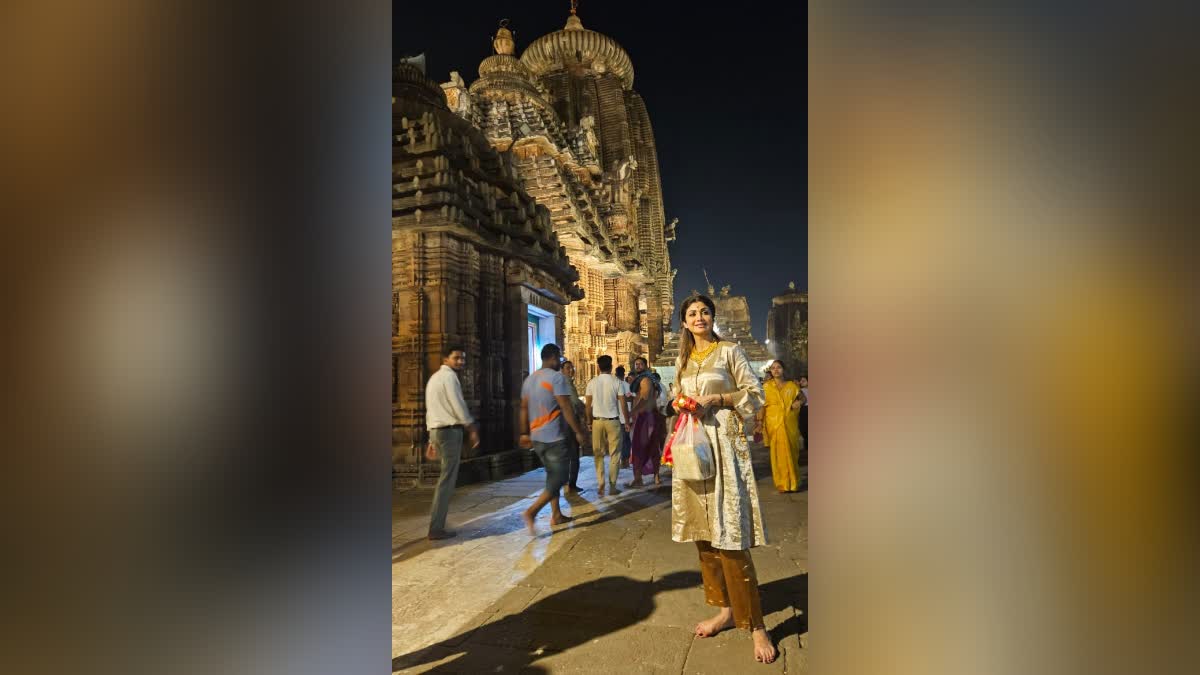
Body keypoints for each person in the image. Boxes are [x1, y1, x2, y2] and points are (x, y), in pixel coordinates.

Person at [671, 293, 776, 664]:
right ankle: (724, 610)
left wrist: (716, 400)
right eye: (692, 313)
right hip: (693, 449)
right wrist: (678, 400)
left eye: (704, 312)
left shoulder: (730, 351)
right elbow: (679, 393)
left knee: (730, 534)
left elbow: (756, 393)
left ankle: (756, 624)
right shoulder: (684, 359)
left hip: (725, 448)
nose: (699, 317)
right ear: (683, 322)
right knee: (703, 535)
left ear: (712, 318)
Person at [518, 343, 589, 535]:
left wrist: (524, 433)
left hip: (537, 438)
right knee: (559, 478)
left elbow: (523, 408)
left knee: (551, 475)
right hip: (554, 437)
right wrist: (578, 431)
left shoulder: (529, 380)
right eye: (559, 358)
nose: (560, 361)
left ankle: (556, 514)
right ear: (552, 358)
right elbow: (565, 407)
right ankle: (532, 511)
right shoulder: (556, 378)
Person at [424, 344, 481, 540]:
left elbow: (431, 409)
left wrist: (430, 437)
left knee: (445, 479)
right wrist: (471, 427)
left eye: (462, 358)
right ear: (445, 359)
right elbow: (458, 404)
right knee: (447, 481)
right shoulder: (449, 377)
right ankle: (436, 527)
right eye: (456, 357)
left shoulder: (434, 378)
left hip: (437, 431)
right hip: (448, 433)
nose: (460, 361)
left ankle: (437, 524)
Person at [755, 360, 805, 493]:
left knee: (792, 452)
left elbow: (803, 398)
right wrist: (759, 423)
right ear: (770, 371)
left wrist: (798, 403)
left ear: (784, 369)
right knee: (777, 454)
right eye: (773, 368)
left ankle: (794, 482)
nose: (776, 370)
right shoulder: (766, 387)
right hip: (773, 423)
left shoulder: (792, 386)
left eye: (779, 367)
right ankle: (782, 483)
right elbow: (761, 407)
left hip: (790, 422)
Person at [584, 355, 627, 496]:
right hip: (613, 421)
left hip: (597, 421)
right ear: (611, 366)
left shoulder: (592, 382)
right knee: (615, 454)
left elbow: (588, 406)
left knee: (598, 453)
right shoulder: (617, 382)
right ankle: (612, 486)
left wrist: (588, 421)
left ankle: (601, 483)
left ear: (598, 366)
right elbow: (623, 403)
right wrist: (626, 421)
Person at [627, 356, 667, 488]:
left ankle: (640, 478)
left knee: (640, 448)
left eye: (640, 364)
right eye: (636, 364)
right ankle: (653, 477)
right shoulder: (646, 379)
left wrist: (633, 412)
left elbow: (644, 398)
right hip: (647, 416)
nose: (637, 366)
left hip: (646, 417)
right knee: (651, 447)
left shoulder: (645, 380)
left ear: (645, 365)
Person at [560, 359, 586, 495]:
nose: (571, 370)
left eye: (572, 368)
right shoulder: (566, 384)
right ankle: (571, 483)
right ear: (562, 370)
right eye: (568, 368)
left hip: (562, 423)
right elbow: (575, 402)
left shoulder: (561, 383)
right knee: (574, 454)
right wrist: (586, 409)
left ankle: (567, 482)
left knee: (567, 454)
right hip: (569, 422)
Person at [614, 365, 633, 468]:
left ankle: (623, 459)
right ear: (624, 374)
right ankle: (625, 459)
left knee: (620, 439)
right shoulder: (626, 385)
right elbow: (630, 399)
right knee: (626, 439)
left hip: (617, 416)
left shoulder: (614, 384)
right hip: (626, 416)